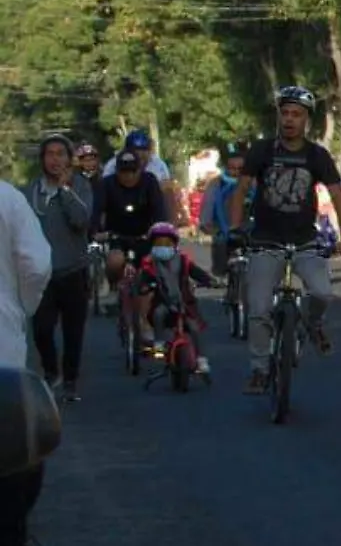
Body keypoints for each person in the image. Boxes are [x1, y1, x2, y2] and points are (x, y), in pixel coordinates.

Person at [230, 86, 341, 394]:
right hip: (265, 241)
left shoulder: (316, 155)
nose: (289, 120)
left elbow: (338, 196)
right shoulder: (262, 150)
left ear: (306, 121)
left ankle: (313, 325)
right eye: (284, 113)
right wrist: (235, 229)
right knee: (258, 309)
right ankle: (259, 370)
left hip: (304, 241)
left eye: (296, 114)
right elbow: (242, 190)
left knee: (323, 294)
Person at [0, 178, 52, 546]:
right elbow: (36, 265)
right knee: (18, 436)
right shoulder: (8, 198)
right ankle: (12, 536)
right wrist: (21, 308)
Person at [26, 135, 92, 402]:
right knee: (41, 329)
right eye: (50, 154)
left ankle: (71, 380)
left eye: (60, 154)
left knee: (73, 331)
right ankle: (51, 371)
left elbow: (81, 220)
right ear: (42, 159)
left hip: (73, 270)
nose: (55, 159)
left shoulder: (81, 187)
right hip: (41, 274)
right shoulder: (31, 192)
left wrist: (65, 191)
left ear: (69, 159)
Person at [133, 222, 214, 377]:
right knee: (158, 314)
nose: (163, 246)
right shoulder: (149, 264)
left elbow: (197, 273)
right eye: (159, 243)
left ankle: (201, 359)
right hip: (163, 302)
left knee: (194, 327)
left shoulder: (183, 260)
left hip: (184, 304)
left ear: (174, 244)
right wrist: (143, 287)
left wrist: (210, 281)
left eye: (167, 243)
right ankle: (159, 344)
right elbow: (142, 282)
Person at [91, 149, 169, 311]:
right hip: (116, 235)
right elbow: (96, 211)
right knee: (115, 261)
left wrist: (159, 229)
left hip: (145, 235)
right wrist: (95, 231)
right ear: (117, 171)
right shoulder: (107, 184)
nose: (129, 176)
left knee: (156, 264)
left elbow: (159, 209)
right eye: (124, 172)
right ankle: (114, 287)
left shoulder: (150, 181)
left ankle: (156, 295)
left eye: (133, 171)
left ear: (140, 170)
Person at [200, 142, 248, 284]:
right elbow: (206, 215)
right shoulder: (215, 184)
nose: (236, 173)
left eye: (240, 169)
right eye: (232, 168)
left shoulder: (254, 183)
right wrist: (211, 228)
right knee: (220, 247)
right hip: (223, 234)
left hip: (250, 233)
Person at [125, 128, 182, 226]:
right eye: (136, 150)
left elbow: (168, 191)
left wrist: (172, 223)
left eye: (144, 150)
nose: (140, 153)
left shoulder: (159, 164)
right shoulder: (113, 165)